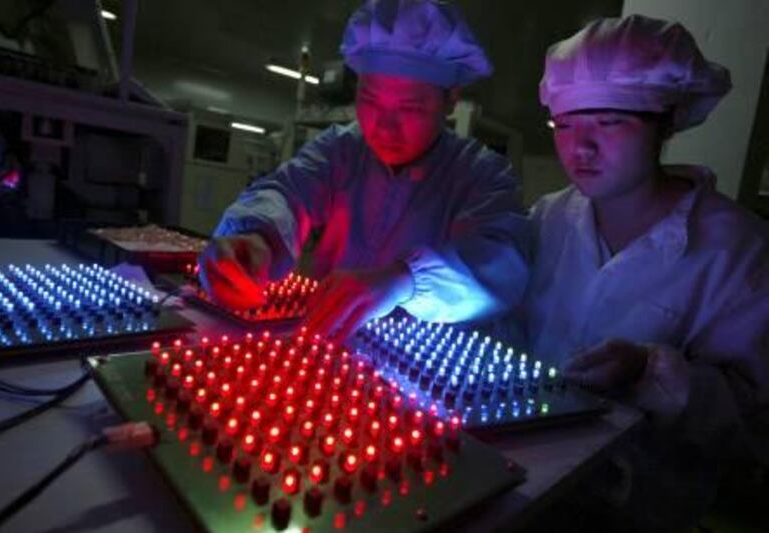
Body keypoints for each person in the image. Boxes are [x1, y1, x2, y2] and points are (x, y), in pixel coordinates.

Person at [523, 14, 769, 530]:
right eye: (565, 124)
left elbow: (754, 422)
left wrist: (649, 372)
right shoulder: (547, 218)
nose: (580, 147)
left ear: (668, 119)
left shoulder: (738, 252)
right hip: (524, 486)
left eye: (610, 122)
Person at [199, 0, 530, 342]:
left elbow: (500, 264)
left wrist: (403, 280)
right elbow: (287, 190)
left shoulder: (481, 174)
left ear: (450, 100)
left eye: (409, 107)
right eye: (370, 102)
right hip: (329, 346)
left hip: (414, 372)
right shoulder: (341, 150)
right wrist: (257, 238)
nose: (384, 128)